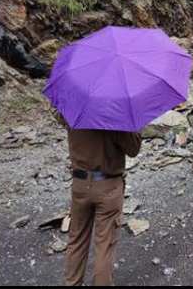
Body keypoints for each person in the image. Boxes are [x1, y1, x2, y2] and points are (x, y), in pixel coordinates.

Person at [64, 122, 142, 286]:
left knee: (76, 240)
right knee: (104, 245)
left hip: (79, 183)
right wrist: (135, 126)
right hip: (108, 186)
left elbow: (57, 113)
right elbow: (133, 149)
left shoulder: (76, 109)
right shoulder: (116, 116)